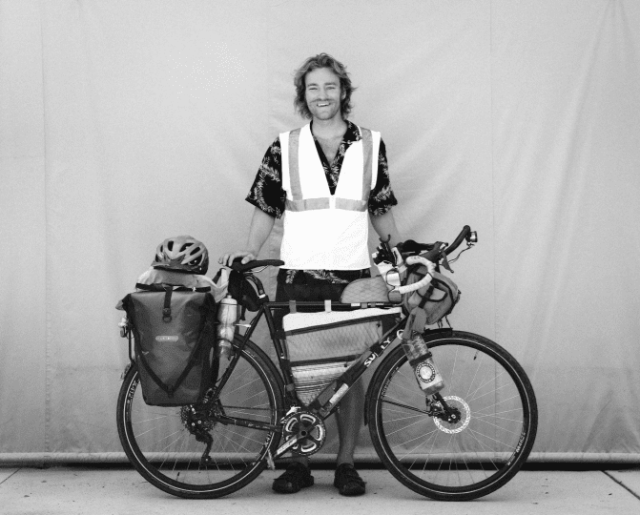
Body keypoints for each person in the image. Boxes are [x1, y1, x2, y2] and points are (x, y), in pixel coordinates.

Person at [220, 53, 401, 497]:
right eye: (313, 88)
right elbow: (266, 207)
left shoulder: (370, 144)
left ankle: (346, 464)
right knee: (296, 374)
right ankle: (297, 463)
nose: (322, 95)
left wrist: (399, 254)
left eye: (330, 87)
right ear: (304, 95)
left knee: (350, 373)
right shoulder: (284, 146)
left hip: (353, 276)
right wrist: (251, 250)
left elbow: (379, 207)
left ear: (343, 92)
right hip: (298, 274)